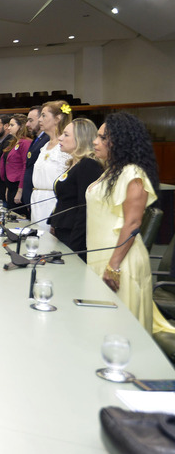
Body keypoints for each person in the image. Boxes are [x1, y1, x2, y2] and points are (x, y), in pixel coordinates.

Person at [86, 113, 159, 334]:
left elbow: (133, 223)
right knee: (100, 326)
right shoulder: (112, 170)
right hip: (100, 255)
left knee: (120, 331)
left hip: (120, 262)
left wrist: (113, 266)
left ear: (120, 141)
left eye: (102, 137)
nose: (95, 142)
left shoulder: (132, 173)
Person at [49, 118, 102, 258]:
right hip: (63, 230)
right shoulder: (74, 163)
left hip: (74, 236)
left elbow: (84, 208)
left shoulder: (88, 165)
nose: (60, 138)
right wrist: (54, 222)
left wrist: (75, 247)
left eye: (66, 135)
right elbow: (66, 199)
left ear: (81, 139)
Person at [30, 101, 72, 231]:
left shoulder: (65, 147)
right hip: (37, 199)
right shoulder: (44, 146)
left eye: (43, 116)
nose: (40, 120)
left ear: (57, 119)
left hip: (52, 201)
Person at [0, 114, 32, 212]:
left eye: (12, 125)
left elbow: (25, 166)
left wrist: (20, 190)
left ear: (21, 127)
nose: (8, 128)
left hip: (18, 185)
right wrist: (7, 187)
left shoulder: (25, 143)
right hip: (10, 185)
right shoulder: (14, 142)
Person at [21, 106, 50, 207]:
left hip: (40, 197)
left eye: (31, 120)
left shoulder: (47, 140)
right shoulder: (37, 139)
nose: (27, 124)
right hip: (31, 194)